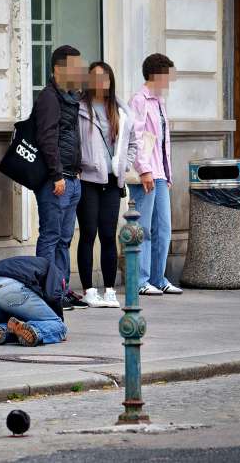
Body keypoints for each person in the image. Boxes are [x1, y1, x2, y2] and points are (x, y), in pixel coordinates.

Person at [75, 61, 136, 308]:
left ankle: (110, 290)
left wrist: (124, 164)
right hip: (87, 180)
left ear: (111, 81)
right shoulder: (79, 108)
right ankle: (89, 290)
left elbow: (133, 144)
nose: (101, 83)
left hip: (112, 181)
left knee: (109, 235)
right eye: (96, 78)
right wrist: (77, 167)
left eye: (105, 78)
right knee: (88, 234)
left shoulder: (121, 110)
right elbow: (72, 142)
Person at [32, 45, 86, 309]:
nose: (80, 71)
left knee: (65, 239)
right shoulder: (49, 98)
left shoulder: (70, 97)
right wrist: (56, 175)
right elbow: (47, 138)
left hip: (72, 178)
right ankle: (46, 290)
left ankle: (61, 288)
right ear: (58, 69)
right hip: (57, 180)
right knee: (51, 236)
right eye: (75, 66)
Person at [128, 53, 182, 296]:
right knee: (144, 228)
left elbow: (163, 142)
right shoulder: (138, 100)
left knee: (164, 227)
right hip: (146, 173)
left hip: (160, 173)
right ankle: (140, 279)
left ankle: (159, 277)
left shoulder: (159, 102)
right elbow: (136, 138)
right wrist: (144, 170)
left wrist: (167, 174)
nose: (169, 83)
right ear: (157, 74)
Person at [0, 256, 66, 347]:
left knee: (15, 324)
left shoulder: (26, 262)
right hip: (8, 288)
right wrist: (57, 326)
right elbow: (53, 296)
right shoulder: (55, 270)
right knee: (58, 325)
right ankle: (36, 331)